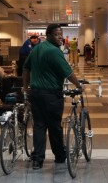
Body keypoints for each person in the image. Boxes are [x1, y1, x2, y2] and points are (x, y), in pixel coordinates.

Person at [22, 24, 83, 170]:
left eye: (61, 34)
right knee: (55, 126)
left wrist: (25, 87)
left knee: (39, 126)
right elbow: (67, 72)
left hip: (35, 94)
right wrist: (79, 85)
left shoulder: (36, 49)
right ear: (48, 35)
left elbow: (25, 67)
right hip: (51, 95)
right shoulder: (54, 51)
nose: (60, 37)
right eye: (57, 34)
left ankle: (37, 160)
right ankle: (60, 156)